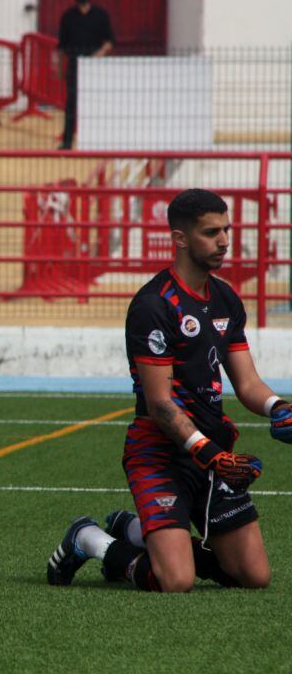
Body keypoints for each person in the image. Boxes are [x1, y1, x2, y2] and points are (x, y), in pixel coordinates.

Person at [46, 188, 292, 592]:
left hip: (214, 453)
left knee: (253, 577)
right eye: (211, 232)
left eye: (227, 230)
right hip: (160, 453)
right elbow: (160, 403)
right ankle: (89, 539)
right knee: (175, 580)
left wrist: (278, 407)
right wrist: (209, 453)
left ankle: (135, 528)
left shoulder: (226, 298)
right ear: (179, 239)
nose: (225, 241)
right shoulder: (153, 305)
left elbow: (247, 384)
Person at [56, 0, 114, 149]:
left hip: (94, 68)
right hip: (74, 65)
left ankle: (96, 141)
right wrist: (60, 69)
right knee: (71, 105)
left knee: (95, 104)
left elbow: (110, 42)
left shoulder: (101, 15)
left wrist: (96, 57)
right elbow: (61, 47)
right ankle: (67, 141)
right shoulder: (67, 17)